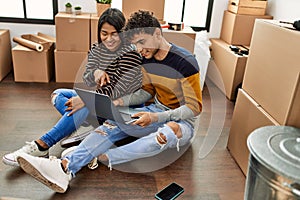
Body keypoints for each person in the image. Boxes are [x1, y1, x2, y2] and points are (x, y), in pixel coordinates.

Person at [16, 10, 203, 193]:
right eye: (135, 44)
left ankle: (101, 156)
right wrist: (119, 102)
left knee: (166, 134)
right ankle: (65, 168)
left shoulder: (185, 62)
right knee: (111, 124)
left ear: (157, 33)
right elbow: (147, 92)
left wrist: (156, 117)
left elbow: (195, 108)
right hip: (154, 110)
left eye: (141, 42)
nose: (139, 49)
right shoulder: (146, 59)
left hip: (182, 121)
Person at [2, 8, 142, 167]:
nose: (109, 39)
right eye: (104, 33)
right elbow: (87, 78)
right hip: (100, 100)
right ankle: (85, 127)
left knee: (83, 105)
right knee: (58, 94)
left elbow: (120, 90)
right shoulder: (97, 48)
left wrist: (86, 99)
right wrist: (95, 72)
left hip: (123, 108)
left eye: (114, 34)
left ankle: (42, 144)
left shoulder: (130, 53)